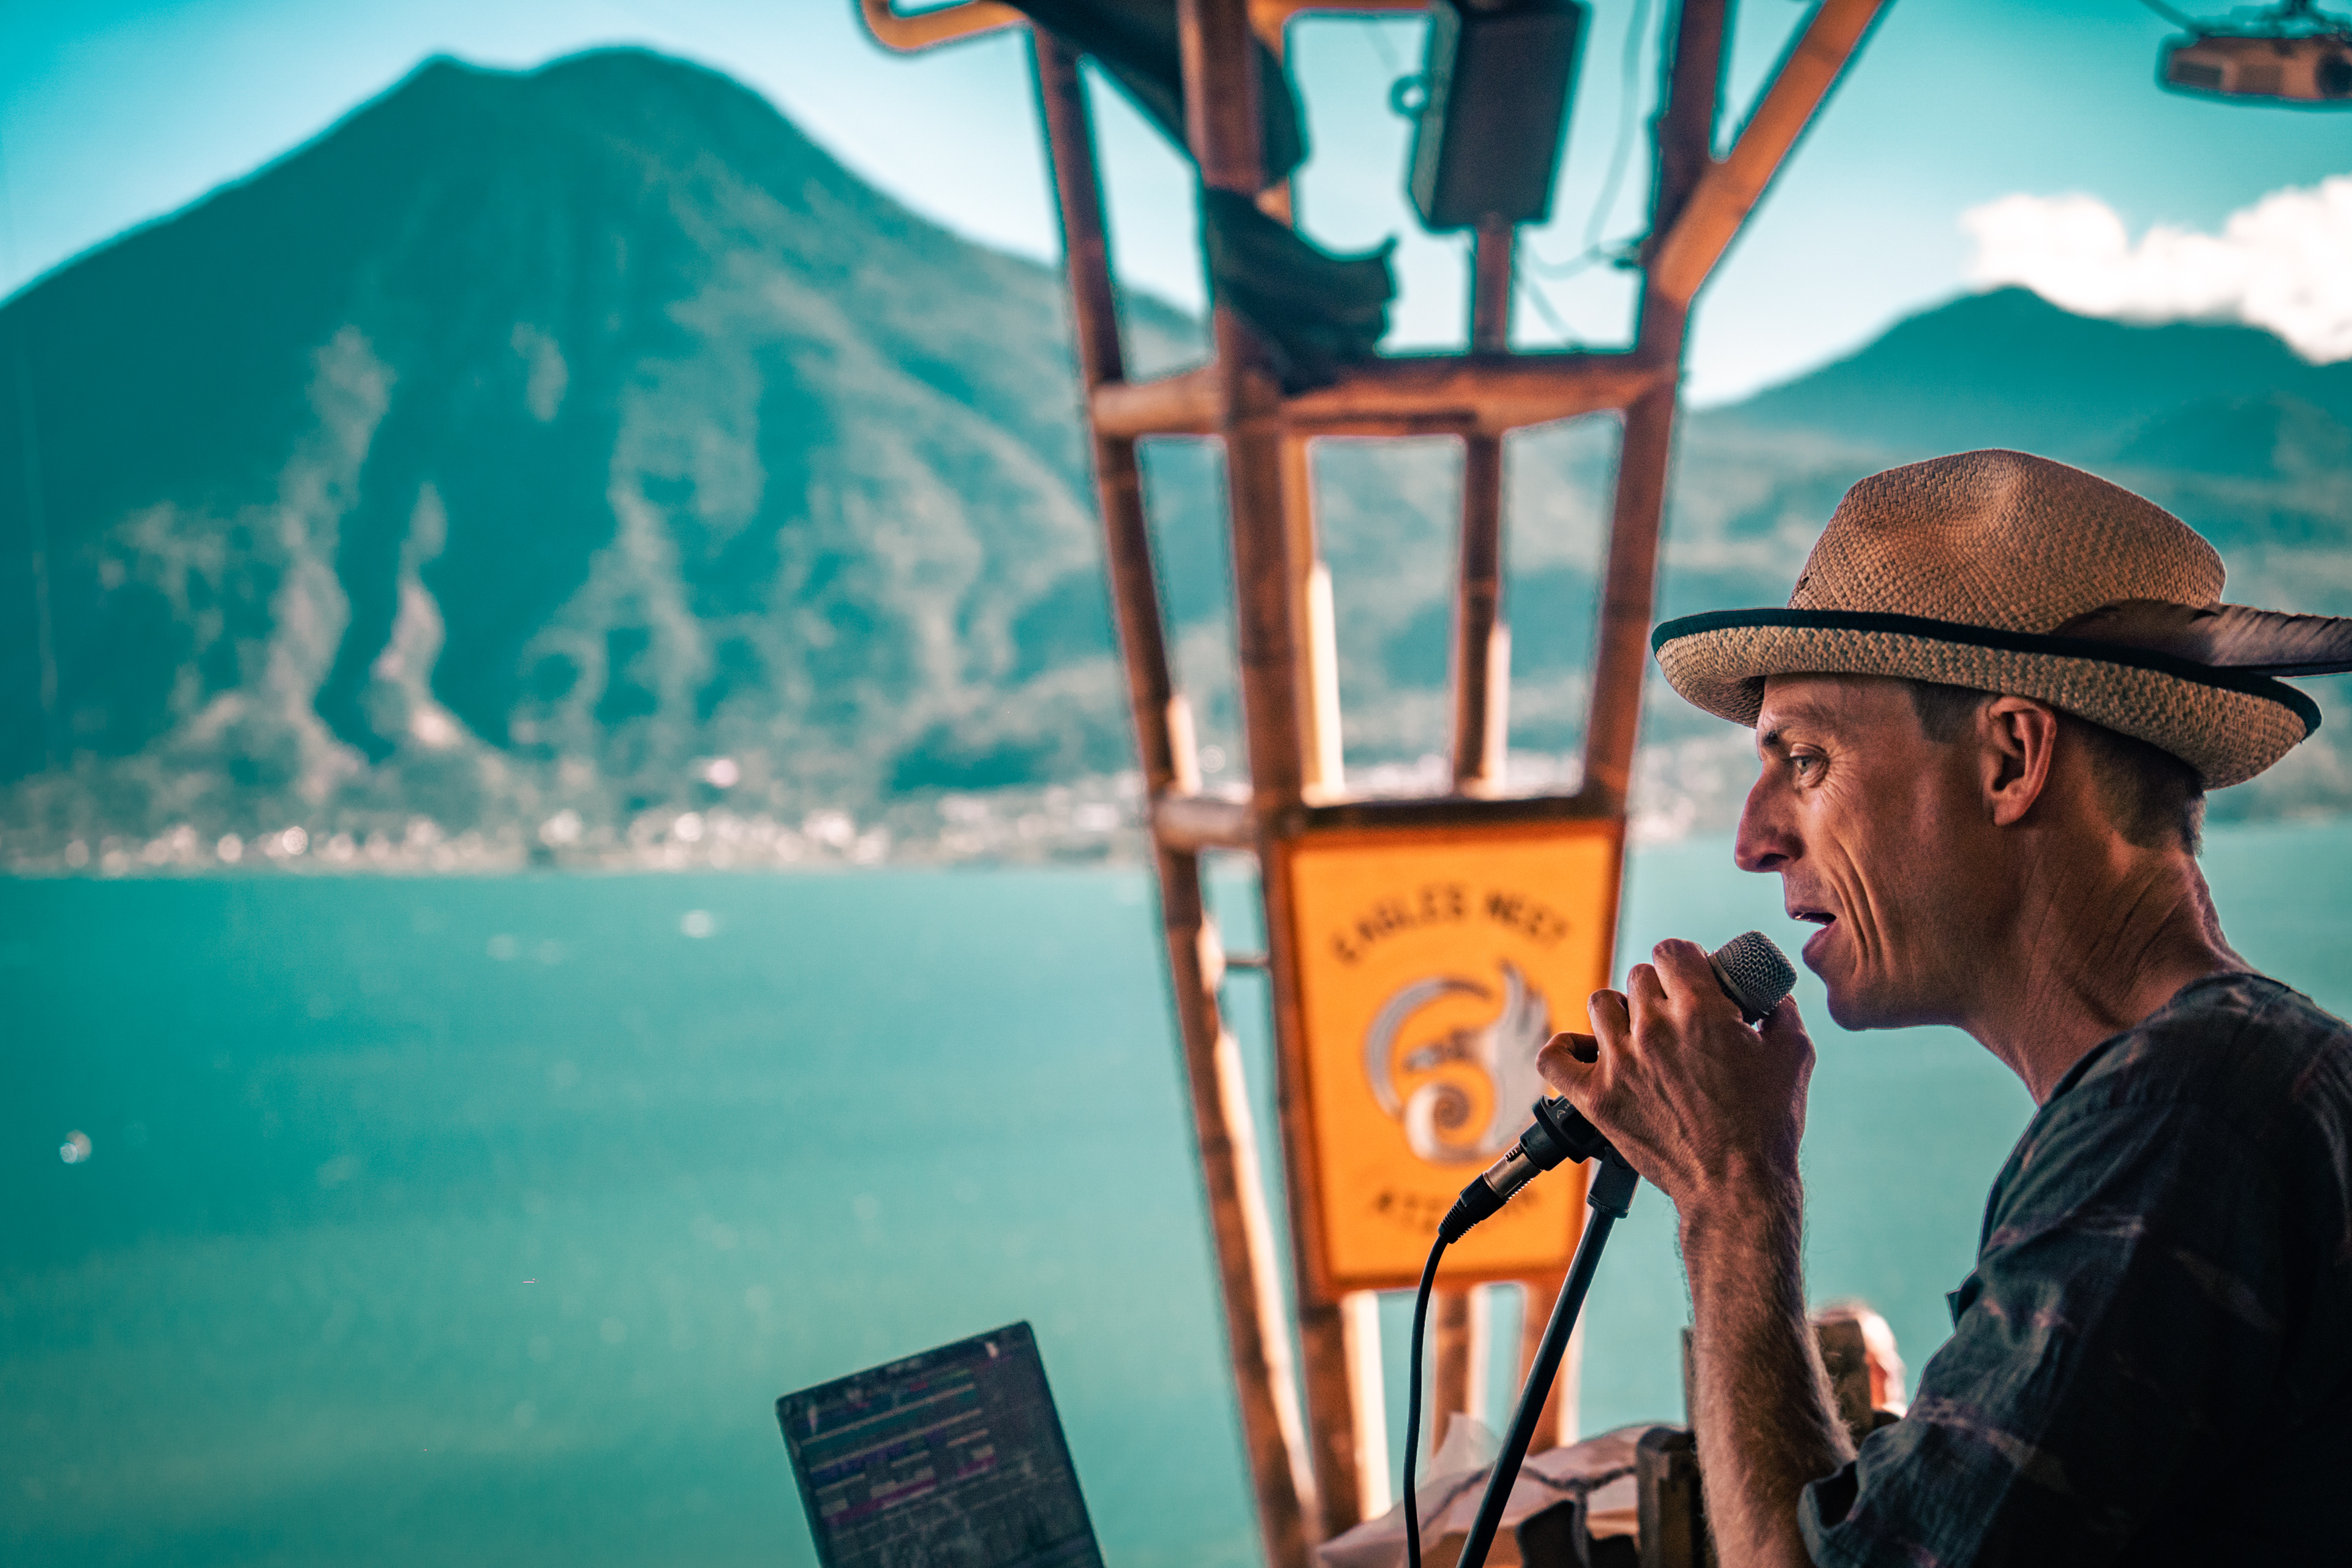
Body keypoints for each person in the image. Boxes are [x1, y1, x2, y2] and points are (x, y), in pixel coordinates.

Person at [1536, 450, 2352, 1566]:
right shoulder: (2241, 1083)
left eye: (1808, 760)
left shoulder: (2181, 1119)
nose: (1753, 838)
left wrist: (1733, 1193)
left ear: (2012, 758)